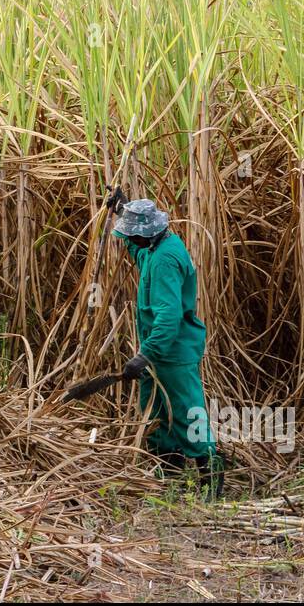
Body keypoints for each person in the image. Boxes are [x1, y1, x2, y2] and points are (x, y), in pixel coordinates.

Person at [111, 198, 223, 499]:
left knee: (188, 412)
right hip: (156, 352)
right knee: (156, 410)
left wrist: (144, 355)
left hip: (172, 352)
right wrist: (122, 210)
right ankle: (168, 475)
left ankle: (210, 478)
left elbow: (169, 316)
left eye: (131, 233)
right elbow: (137, 250)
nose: (128, 239)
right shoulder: (153, 248)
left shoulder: (164, 260)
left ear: (145, 233)